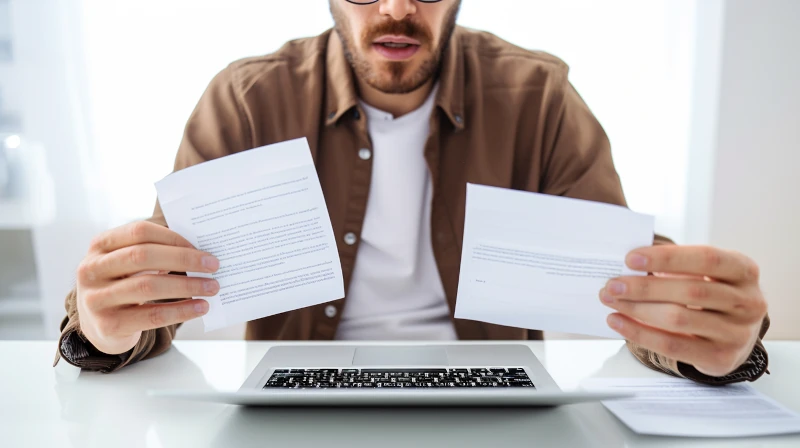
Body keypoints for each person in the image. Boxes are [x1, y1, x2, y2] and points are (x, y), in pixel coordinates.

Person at [54, 0, 769, 383]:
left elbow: (625, 289)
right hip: (299, 410)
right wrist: (99, 329)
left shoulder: (538, 96)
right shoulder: (247, 100)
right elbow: (159, 298)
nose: (396, 8)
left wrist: (713, 348)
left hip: (494, 408)